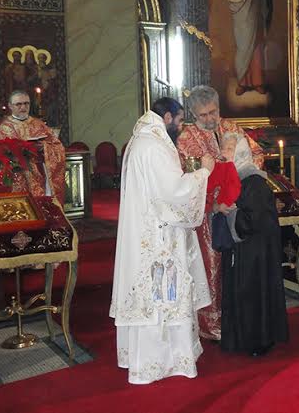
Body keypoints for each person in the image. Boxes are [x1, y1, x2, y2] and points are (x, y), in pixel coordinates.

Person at [109, 97, 216, 384]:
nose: (180, 127)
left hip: (146, 230)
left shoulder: (141, 139)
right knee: (163, 295)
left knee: (154, 295)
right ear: (167, 117)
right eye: (179, 121)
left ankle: (148, 358)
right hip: (159, 236)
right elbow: (175, 192)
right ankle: (163, 360)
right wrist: (204, 171)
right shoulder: (154, 146)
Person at [177, 85, 265, 340]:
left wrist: (238, 174)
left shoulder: (231, 127)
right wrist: (214, 200)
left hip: (236, 207)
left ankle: (236, 318)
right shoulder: (186, 138)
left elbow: (257, 153)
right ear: (193, 114)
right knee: (211, 267)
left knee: (237, 264)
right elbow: (186, 178)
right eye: (203, 114)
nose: (210, 118)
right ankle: (210, 323)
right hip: (207, 214)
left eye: (213, 112)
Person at [220, 137, 289, 356]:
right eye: (223, 148)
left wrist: (231, 212)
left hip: (257, 252)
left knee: (254, 292)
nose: (223, 153)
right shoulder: (236, 179)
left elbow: (254, 221)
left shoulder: (253, 182)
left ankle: (260, 339)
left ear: (240, 152)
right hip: (244, 248)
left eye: (229, 149)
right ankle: (240, 337)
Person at [0, 90, 66, 199]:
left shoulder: (38, 124)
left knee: (40, 201)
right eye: (18, 104)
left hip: (38, 172)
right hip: (16, 173)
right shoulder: (4, 126)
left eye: (26, 103)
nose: (23, 107)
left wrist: (44, 147)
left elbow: (57, 146)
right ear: (10, 106)